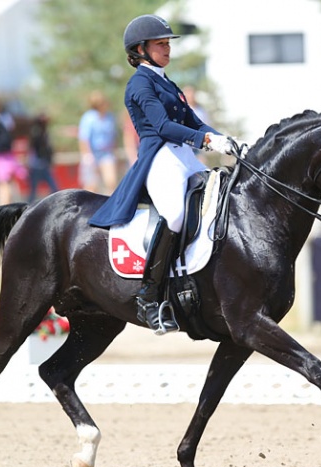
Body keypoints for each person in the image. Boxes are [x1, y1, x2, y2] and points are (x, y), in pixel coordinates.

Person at [89, 14, 236, 335]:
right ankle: (149, 295)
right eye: (161, 44)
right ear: (140, 49)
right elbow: (163, 127)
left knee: (221, 199)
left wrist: (225, 140)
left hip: (184, 155)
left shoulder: (167, 81)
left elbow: (194, 121)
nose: (167, 49)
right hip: (160, 156)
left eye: (168, 43)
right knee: (176, 215)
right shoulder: (139, 84)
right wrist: (207, 141)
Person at [78, 90, 118, 194]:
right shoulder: (88, 118)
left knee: (111, 181)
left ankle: (111, 206)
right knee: (92, 185)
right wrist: (87, 155)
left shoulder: (109, 117)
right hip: (92, 154)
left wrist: (114, 151)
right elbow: (83, 138)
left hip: (106, 154)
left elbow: (113, 136)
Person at [27, 113, 58, 203]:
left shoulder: (42, 132)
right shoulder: (37, 132)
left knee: (35, 188)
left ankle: (29, 204)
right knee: (36, 188)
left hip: (41, 163)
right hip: (38, 163)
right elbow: (38, 148)